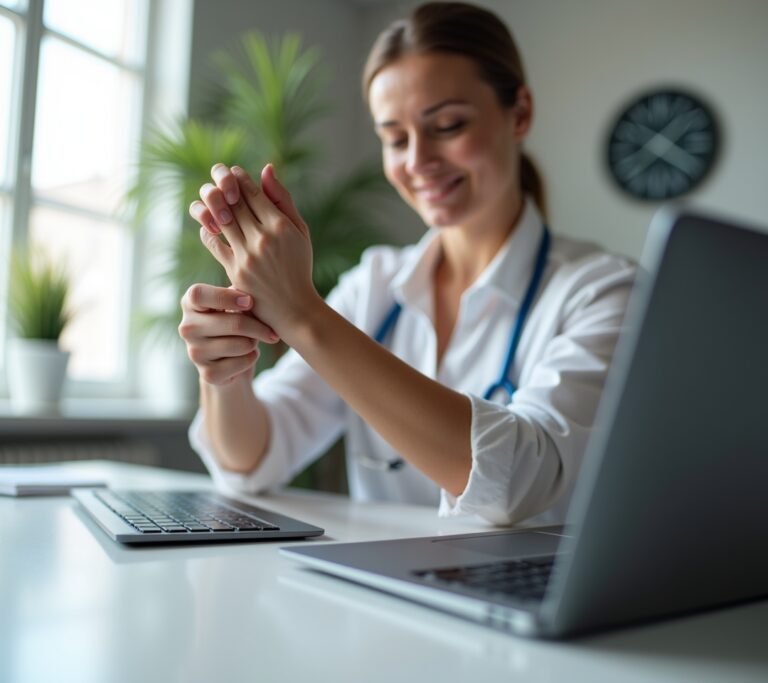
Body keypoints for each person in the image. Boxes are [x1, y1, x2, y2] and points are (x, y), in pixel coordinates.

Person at [180, 1, 636, 526]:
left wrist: (303, 315)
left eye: (447, 125)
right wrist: (223, 371)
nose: (418, 161)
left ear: (521, 114)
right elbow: (251, 459)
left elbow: (519, 482)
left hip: (519, 601)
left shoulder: (602, 291)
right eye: (395, 138)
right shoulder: (375, 284)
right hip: (383, 598)